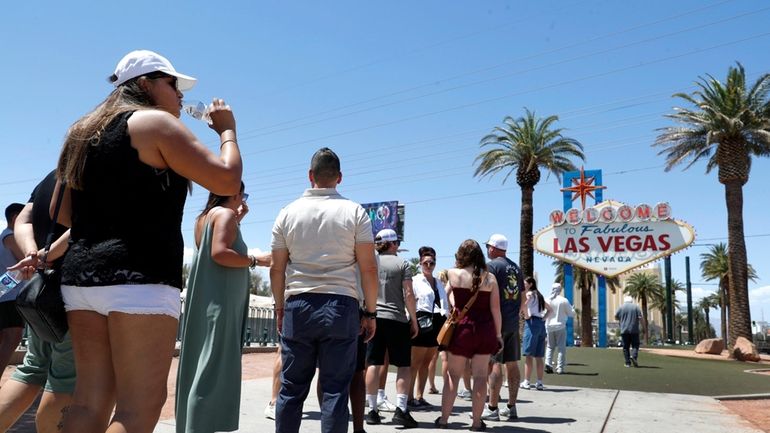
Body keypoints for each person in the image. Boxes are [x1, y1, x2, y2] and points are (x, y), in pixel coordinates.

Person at [52, 49, 244, 433]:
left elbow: (61, 213)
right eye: (172, 84)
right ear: (145, 84)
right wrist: (227, 130)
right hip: (141, 279)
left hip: (81, 277)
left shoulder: (81, 131)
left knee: (89, 401)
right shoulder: (153, 123)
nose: (179, 94)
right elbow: (227, 181)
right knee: (138, 409)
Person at [270, 147, 378, 433]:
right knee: (335, 391)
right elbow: (368, 268)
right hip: (341, 307)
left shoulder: (287, 213)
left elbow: (277, 269)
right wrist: (370, 312)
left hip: (298, 305)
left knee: (291, 390)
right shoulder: (355, 212)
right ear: (340, 178)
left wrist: (280, 308)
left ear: (310, 176)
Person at [176, 184, 270, 433]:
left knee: (201, 367)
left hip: (207, 301)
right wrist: (257, 260)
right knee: (211, 372)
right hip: (221, 304)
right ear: (235, 193)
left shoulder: (205, 217)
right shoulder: (224, 215)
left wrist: (237, 220)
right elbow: (219, 253)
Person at [0, 172, 75, 433]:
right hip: (74, 288)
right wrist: (47, 254)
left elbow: (24, 219)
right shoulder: (89, 167)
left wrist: (33, 253)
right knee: (66, 378)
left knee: (32, 368)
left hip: (41, 293)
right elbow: (91, 221)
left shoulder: (49, 180)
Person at [436, 240, 501, 431]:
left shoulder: (453, 274)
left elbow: (444, 295)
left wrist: (454, 307)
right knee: (480, 377)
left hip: (462, 330)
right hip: (485, 330)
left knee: (452, 375)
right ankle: (476, 423)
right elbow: (495, 309)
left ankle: (444, 420)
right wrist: (498, 335)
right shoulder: (490, 279)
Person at [364, 228, 419, 428]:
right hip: (396, 319)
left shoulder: (370, 262)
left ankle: (371, 410)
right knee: (403, 365)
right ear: (393, 244)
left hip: (374, 317)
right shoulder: (402, 263)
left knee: (373, 363)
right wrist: (413, 319)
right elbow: (409, 294)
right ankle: (401, 410)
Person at [480, 234, 524, 422]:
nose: (487, 249)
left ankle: (492, 407)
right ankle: (511, 407)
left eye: (489, 246)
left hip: (497, 321)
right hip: (513, 322)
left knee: (495, 362)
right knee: (512, 363)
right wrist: (517, 314)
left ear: (495, 248)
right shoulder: (516, 267)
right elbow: (523, 295)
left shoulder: (492, 267)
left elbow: (486, 293)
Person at [407, 246, 448, 410]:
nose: (429, 265)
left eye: (432, 262)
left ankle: (420, 396)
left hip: (438, 322)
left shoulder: (439, 282)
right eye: (426, 263)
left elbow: (445, 303)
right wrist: (412, 321)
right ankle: (408, 397)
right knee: (414, 362)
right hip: (421, 320)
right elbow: (409, 301)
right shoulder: (415, 280)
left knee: (427, 362)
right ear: (420, 263)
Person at [0, 203, 25, 379]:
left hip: (5, 294)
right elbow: (26, 261)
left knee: (5, 338)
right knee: (13, 336)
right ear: (16, 218)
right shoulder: (11, 236)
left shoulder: (3, 236)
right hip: (11, 296)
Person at [520, 277, 552, 391]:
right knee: (539, 356)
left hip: (532, 323)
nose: (523, 285)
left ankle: (527, 382)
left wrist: (527, 316)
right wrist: (543, 319)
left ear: (530, 284)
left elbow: (525, 305)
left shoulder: (529, 294)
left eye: (524, 283)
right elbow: (550, 309)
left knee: (529, 355)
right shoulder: (539, 295)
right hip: (540, 324)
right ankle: (539, 382)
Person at [545, 283, 575, 375]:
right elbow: (571, 314)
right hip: (560, 326)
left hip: (549, 326)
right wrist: (572, 309)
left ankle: (548, 364)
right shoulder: (564, 300)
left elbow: (543, 313)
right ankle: (559, 368)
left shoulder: (547, 299)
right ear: (560, 289)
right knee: (561, 348)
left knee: (550, 346)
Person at [615, 295, 644, 367]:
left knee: (625, 347)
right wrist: (643, 327)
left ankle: (627, 363)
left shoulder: (621, 307)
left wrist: (621, 319)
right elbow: (640, 318)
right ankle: (634, 356)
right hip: (634, 330)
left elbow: (615, 316)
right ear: (631, 300)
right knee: (635, 345)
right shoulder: (636, 307)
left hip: (624, 330)